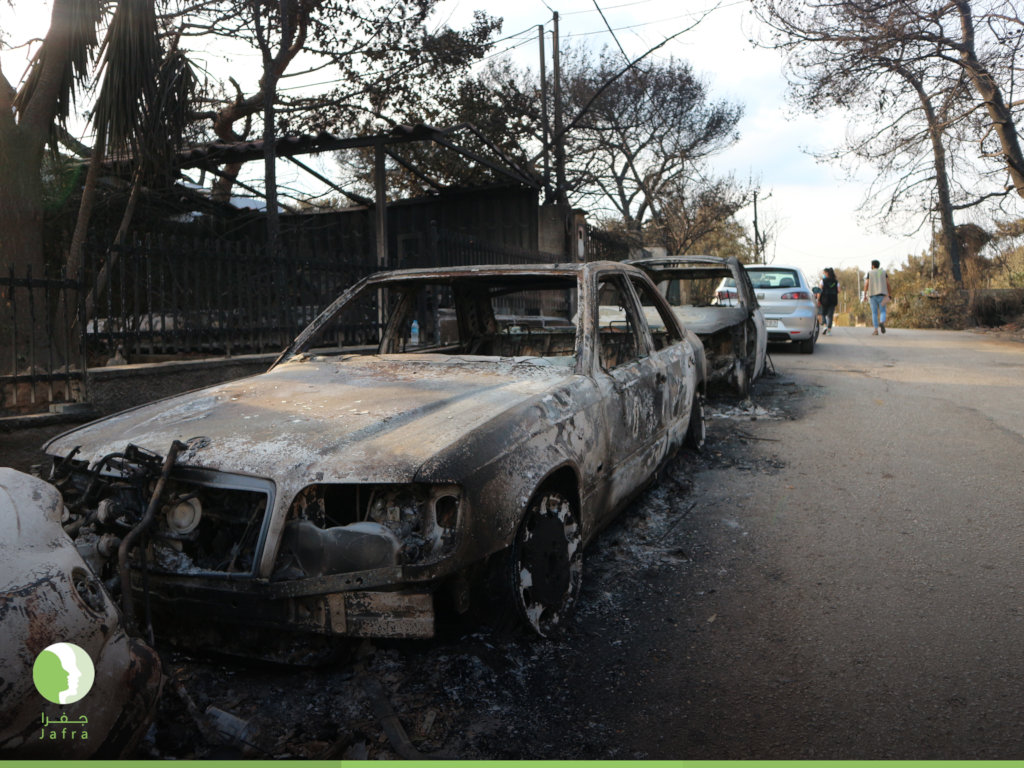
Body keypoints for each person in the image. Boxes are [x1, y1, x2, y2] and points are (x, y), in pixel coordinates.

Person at [863, 259, 890, 335]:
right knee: (883, 311)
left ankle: (875, 330)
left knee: (874, 313)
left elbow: (866, 284)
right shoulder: (883, 272)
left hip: (872, 295)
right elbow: (888, 283)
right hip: (882, 295)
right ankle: (882, 322)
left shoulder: (870, 273)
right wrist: (889, 294)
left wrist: (865, 295)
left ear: (872, 266)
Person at [819, 268, 839, 334]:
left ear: (827, 273)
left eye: (824, 273)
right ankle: (829, 330)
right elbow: (839, 290)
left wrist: (818, 299)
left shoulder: (823, 281)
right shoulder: (836, 281)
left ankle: (825, 325)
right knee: (830, 315)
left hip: (825, 299)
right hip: (833, 300)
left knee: (823, 313)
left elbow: (820, 290)